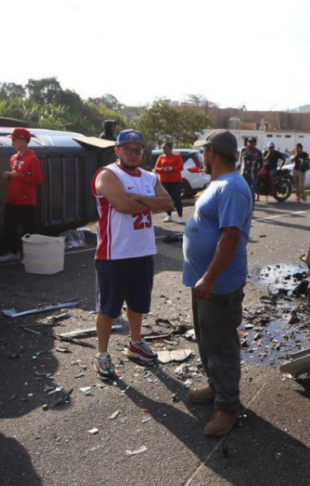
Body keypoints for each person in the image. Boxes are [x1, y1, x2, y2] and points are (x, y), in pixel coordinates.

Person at [183, 129, 253, 438]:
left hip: (219, 284)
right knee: (207, 340)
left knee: (222, 345)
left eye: (204, 150)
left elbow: (231, 236)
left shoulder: (233, 187)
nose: (202, 155)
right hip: (205, 282)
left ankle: (228, 407)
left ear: (212, 152)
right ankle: (216, 387)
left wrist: (210, 276)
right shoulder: (219, 184)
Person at [91, 129, 173, 380]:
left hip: (142, 251)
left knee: (138, 304)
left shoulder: (149, 177)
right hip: (113, 253)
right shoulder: (107, 174)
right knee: (108, 309)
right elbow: (122, 206)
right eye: (127, 149)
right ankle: (102, 355)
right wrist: (149, 201)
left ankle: (135, 344)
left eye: (137, 149)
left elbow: (169, 203)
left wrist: (137, 196)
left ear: (143, 152)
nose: (133, 153)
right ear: (117, 150)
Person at [0, 128, 44, 263]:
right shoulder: (13, 158)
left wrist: (19, 176)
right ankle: (13, 252)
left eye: (14, 140)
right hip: (12, 199)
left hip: (26, 201)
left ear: (23, 141)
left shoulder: (33, 159)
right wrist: (8, 176)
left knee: (28, 229)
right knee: (9, 228)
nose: (12, 143)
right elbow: (16, 176)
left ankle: (32, 255)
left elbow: (38, 179)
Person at [154, 140, 185, 223]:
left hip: (176, 181)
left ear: (170, 148)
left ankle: (180, 216)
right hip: (165, 181)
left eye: (165, 148)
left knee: (176, 198)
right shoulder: (161, 157)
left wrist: (171, 168)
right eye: (162, 148)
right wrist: (163, 169)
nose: (163, 150)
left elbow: (181, 167)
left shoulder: (177, 157)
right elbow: (156, 169)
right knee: (167, 199)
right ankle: (169, 215)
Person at [239, 137, 263, 202]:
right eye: (249, 142)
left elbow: (261, 164)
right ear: (247, 142)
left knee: (251, 194)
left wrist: (257, 171)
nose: (250, 144)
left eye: (252, 142)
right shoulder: (243, 150)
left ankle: (250, 210)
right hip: (243, 176)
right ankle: (244, 210)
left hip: (253, 177)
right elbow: (241, 161)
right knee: (242, 194)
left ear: (255, 144)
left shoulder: (258, 152)